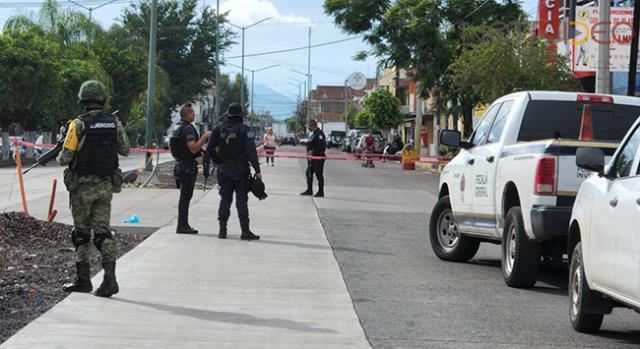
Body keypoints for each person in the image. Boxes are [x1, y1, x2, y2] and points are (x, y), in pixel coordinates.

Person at [56, 80, 130, 298]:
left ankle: (83, 280)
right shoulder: (114, 123)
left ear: (82, 99)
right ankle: (110, 280)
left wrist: (62, 148)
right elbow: (125, 149)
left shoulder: (77, 125)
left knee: (81, 234)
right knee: (102, 234)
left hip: (81, 188)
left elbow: (65, 158)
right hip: (105, 186)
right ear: (102, 99)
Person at [206, 103, 262, 240]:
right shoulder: (244, 130)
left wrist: (218, 161)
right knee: (241, 201)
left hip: (224, 170)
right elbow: (251, 152)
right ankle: (245, 231)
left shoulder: (218, 130)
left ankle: (222, 229)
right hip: (241, 170)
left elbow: (209, 149)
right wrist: (257, 170)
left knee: (225, 199)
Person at [170, 103, 211, 234]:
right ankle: (182, 225)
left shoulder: (178, 128)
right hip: (187, 167)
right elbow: (193, 148)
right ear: (187, 114)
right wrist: (205, 136)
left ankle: (183, 224)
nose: (194, 114)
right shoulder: (188, 129)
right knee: (185, 196)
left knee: (185, 196)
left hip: (180, 165)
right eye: (192, 112)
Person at [300, 119, 326, 197]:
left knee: (318, 174)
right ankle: (309, 190)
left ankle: (321, 192)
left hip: (318, 157)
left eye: (309, 126)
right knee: (309, 173)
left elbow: (321, 147)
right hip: (312, 158)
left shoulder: (319, 134)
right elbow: (311, 143)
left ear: (312, 126)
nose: (308, 128)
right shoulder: (313, 134)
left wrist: (313, 151)